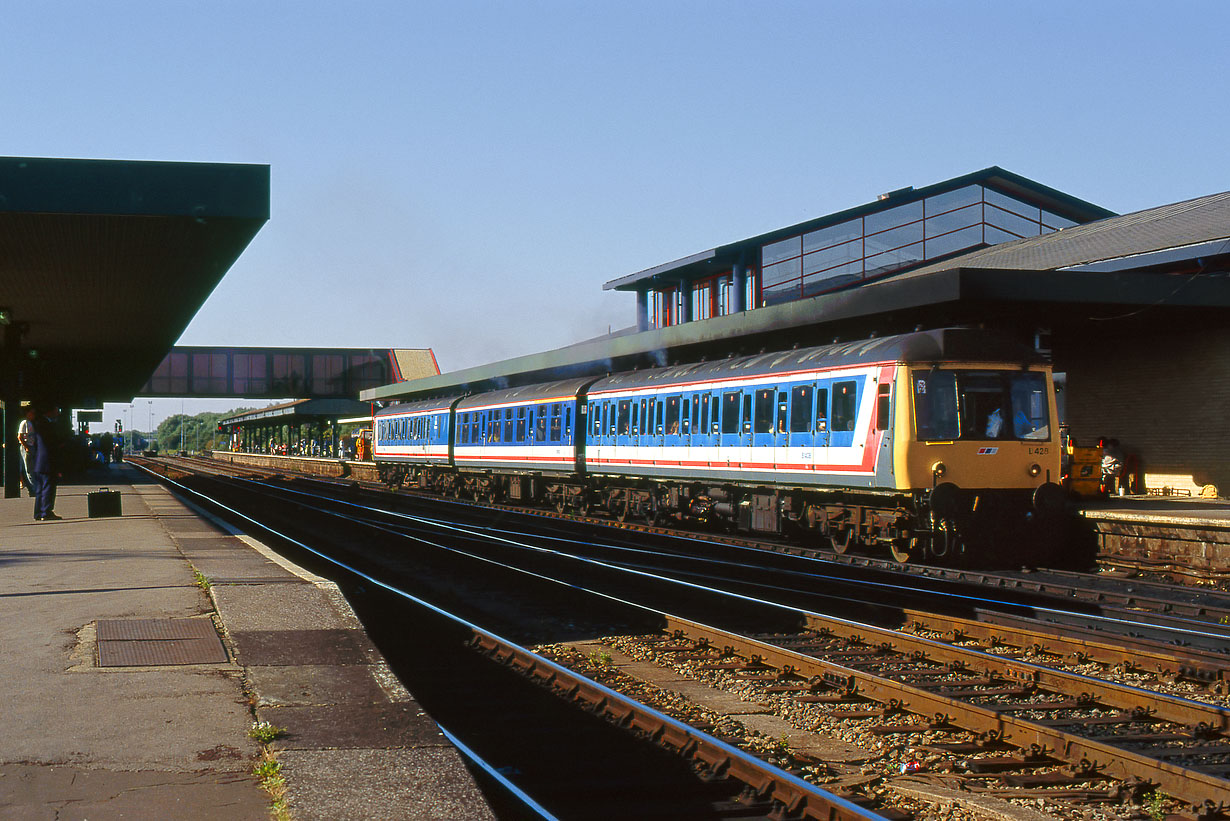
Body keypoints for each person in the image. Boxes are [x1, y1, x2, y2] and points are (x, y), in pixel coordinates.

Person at [29, 405, 63, 521]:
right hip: (48, 461)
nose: (58, 413)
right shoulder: (46, 424)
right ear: (51, 411)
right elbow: (51, 443)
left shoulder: (38, 424)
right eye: (56, 410)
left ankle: (38, 512)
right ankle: (46, 511)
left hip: (39, 462)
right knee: (48, 487)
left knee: (40, 489)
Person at [17, 406, 36, 497]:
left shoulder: (33, 423)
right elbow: (20, 436)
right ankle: (33, 488)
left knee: (33, 468)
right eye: (32, 413)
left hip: (32, 446)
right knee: (29, 469)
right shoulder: (24, 423)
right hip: (27, 447)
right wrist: (26, 446)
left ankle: (34, 487)